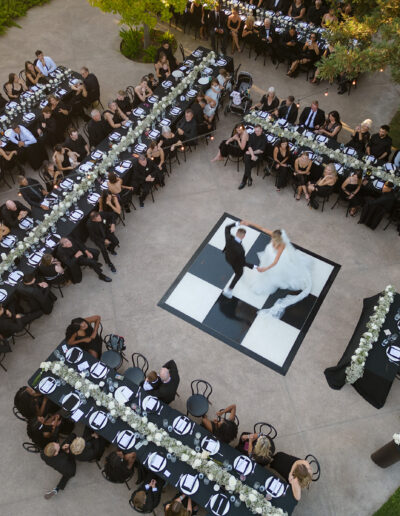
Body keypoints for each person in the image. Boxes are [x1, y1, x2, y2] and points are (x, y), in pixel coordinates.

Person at [241, 222, 313, 318]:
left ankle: (271, 274)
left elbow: (275, 261)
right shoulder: (274, 235)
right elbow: (262, 228)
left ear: (278, 240)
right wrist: (249, 223)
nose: (272, 239)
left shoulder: (281, 245)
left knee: (275, 274)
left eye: (274, 240)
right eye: (272, 238)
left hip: (277, 262)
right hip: (269, 257)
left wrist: (265, 268)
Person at [221, 221, 257, 298]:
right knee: (239, 273)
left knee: (238, 270)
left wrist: (239, 223)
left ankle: (229, 290)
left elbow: (227, 227)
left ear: (237, 233)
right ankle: (229, 290)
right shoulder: (241, 250)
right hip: (235, 263)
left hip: (227, 257)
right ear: (244, 236)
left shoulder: (229, 238)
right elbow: (243, 263)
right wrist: (253, 266)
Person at [239, 124, 266, 190]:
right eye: (255, 131)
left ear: (261, 130)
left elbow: (261, 151)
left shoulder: (264, 137)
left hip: (258, 155)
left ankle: (244, 181)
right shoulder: (252, 135)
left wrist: (253, 154)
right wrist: (252, 155)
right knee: (246, 158)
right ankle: (249, 178)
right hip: (251, 153)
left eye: (258, 131)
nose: (256, 132)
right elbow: (249, 146)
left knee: (248, 165)